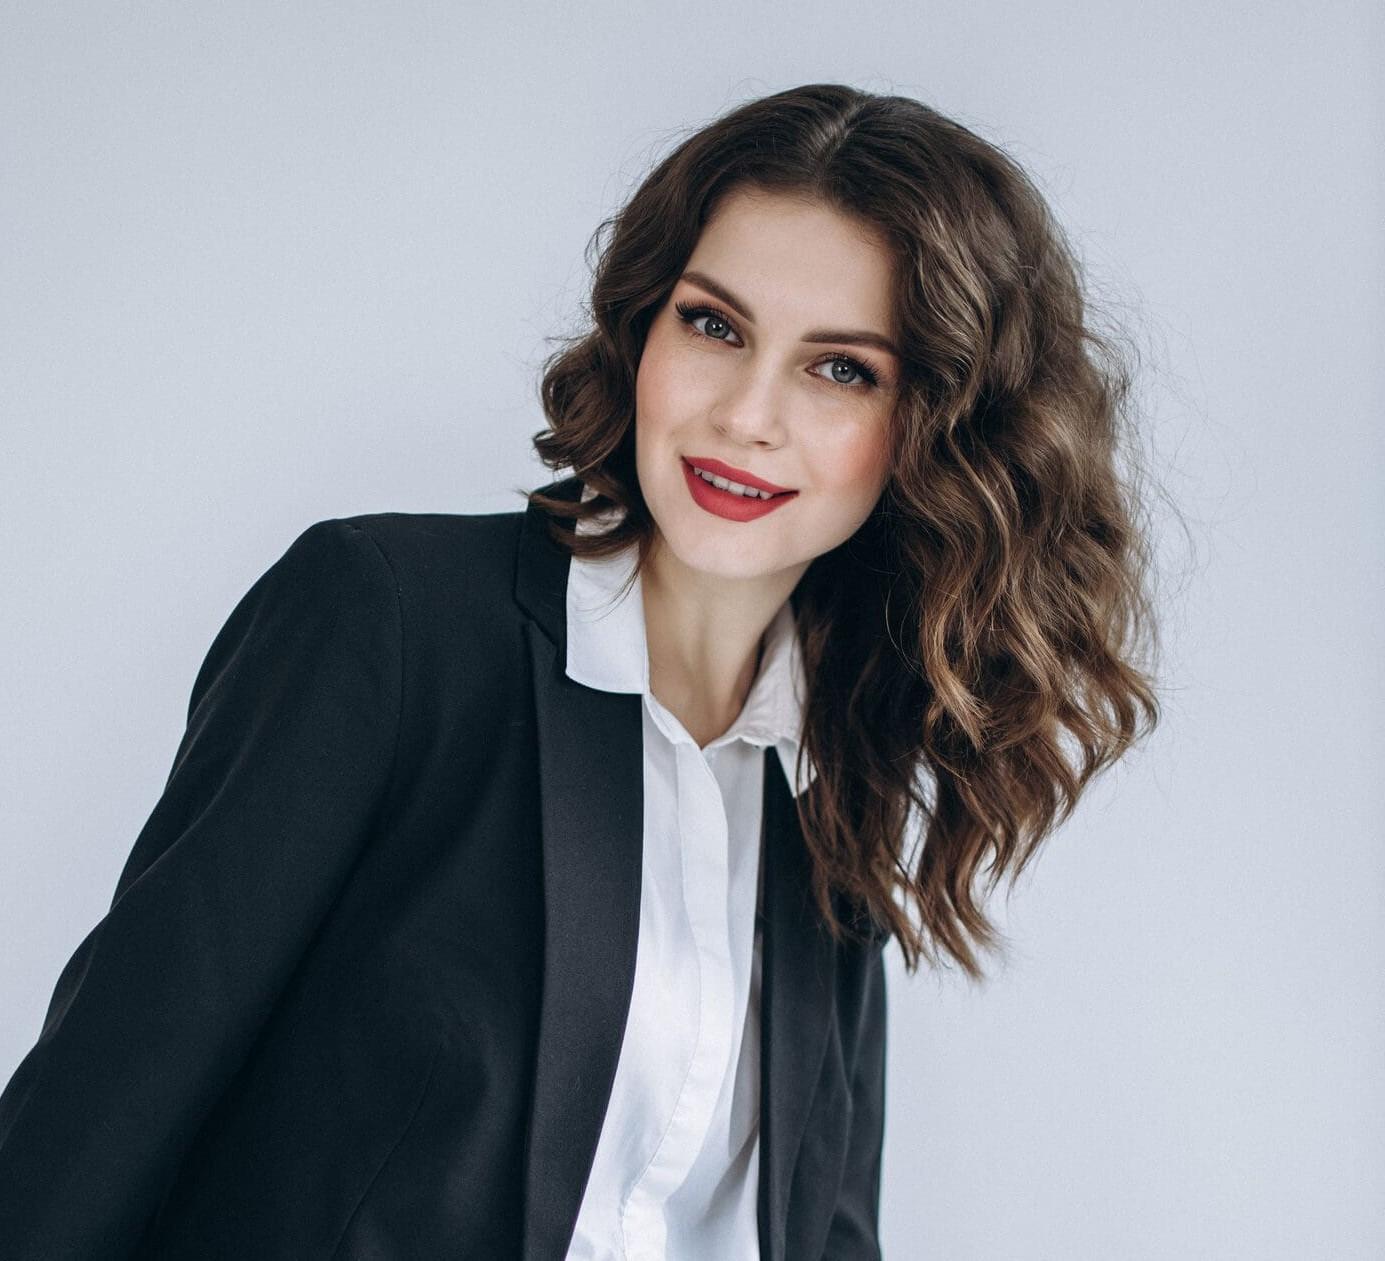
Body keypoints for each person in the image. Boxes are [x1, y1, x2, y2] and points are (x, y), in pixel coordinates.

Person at [0, 82, 1163, 1259]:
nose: (746, 415)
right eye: (713, 326)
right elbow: (94, 1120)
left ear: (940, 429)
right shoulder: (391, 622)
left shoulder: (835, 773)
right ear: (642, 325)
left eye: (841, 370)